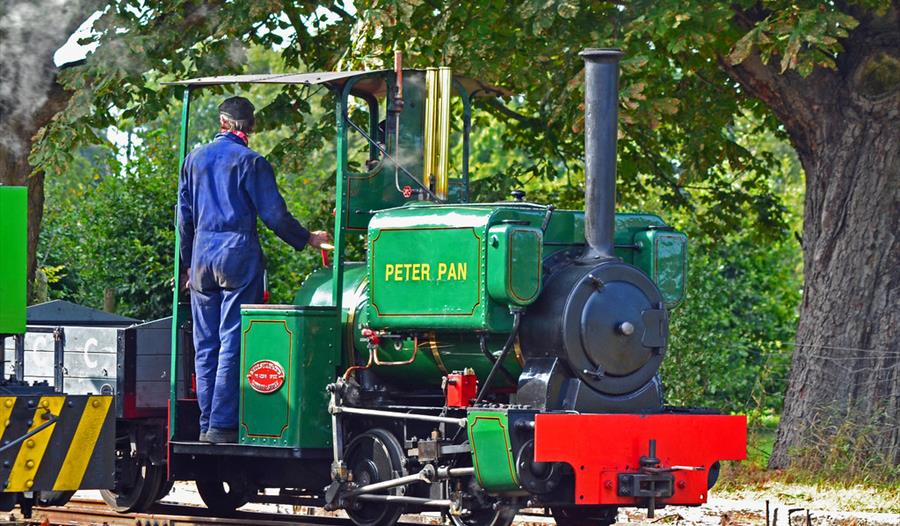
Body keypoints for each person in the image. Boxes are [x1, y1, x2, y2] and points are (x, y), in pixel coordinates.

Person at [177, 96, 330, 444]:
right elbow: (274, 216)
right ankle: (222, 426)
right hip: (237, 255)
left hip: (201, 257)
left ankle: (204, 425)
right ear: (251, 127)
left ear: (221, 123)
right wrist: (308, 239)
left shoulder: (194, 160)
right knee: (232, 339)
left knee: (206, 345)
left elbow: (183, 220)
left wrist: (187, 265)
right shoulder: (252, 162)